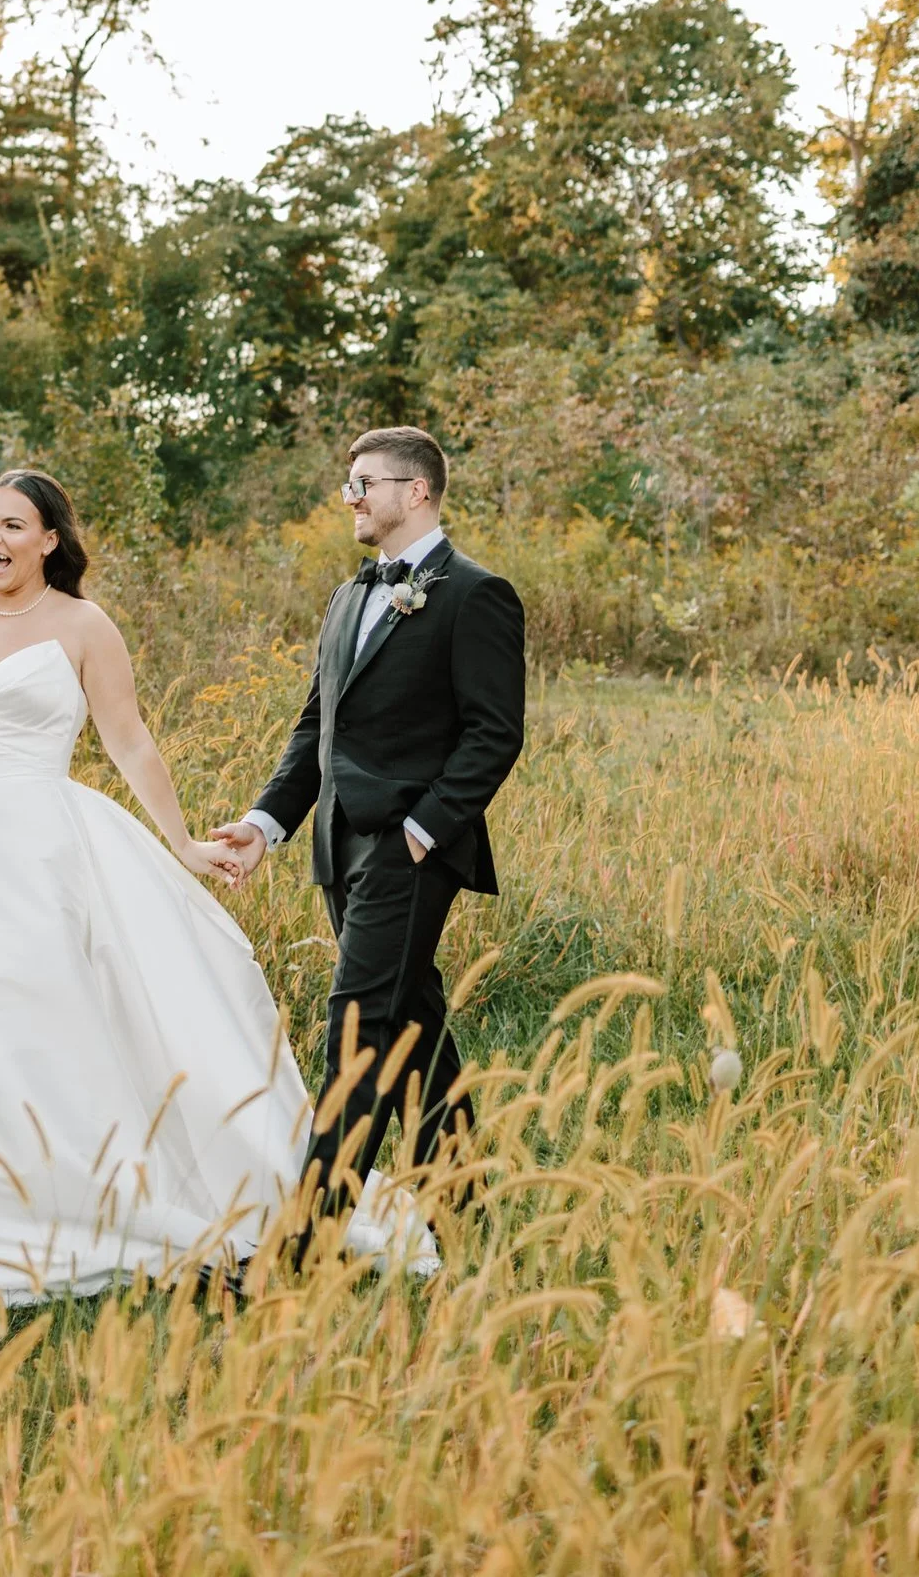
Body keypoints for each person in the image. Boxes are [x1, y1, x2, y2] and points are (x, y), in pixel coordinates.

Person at [0, 467, 309, 1322]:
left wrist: (186, 844)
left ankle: (75, 1198)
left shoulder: (85, 626)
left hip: (32, 851)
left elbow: (129, 740)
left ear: (51, 539)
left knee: (32, 1023)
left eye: (12, 525)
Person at [214, 426, 525, 1246]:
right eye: (348, 484)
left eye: (363, 484)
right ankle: (464, 1211)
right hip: (336, 848)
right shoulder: (349, 596)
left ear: (414, 491)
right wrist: (264, 823)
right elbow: (317, 728)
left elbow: (494, 734)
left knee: (356, 1031)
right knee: (411, 1029)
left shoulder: (474, 594)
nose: (349, 498)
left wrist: (424, 830)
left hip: (409, 850)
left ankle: (304, 1245)